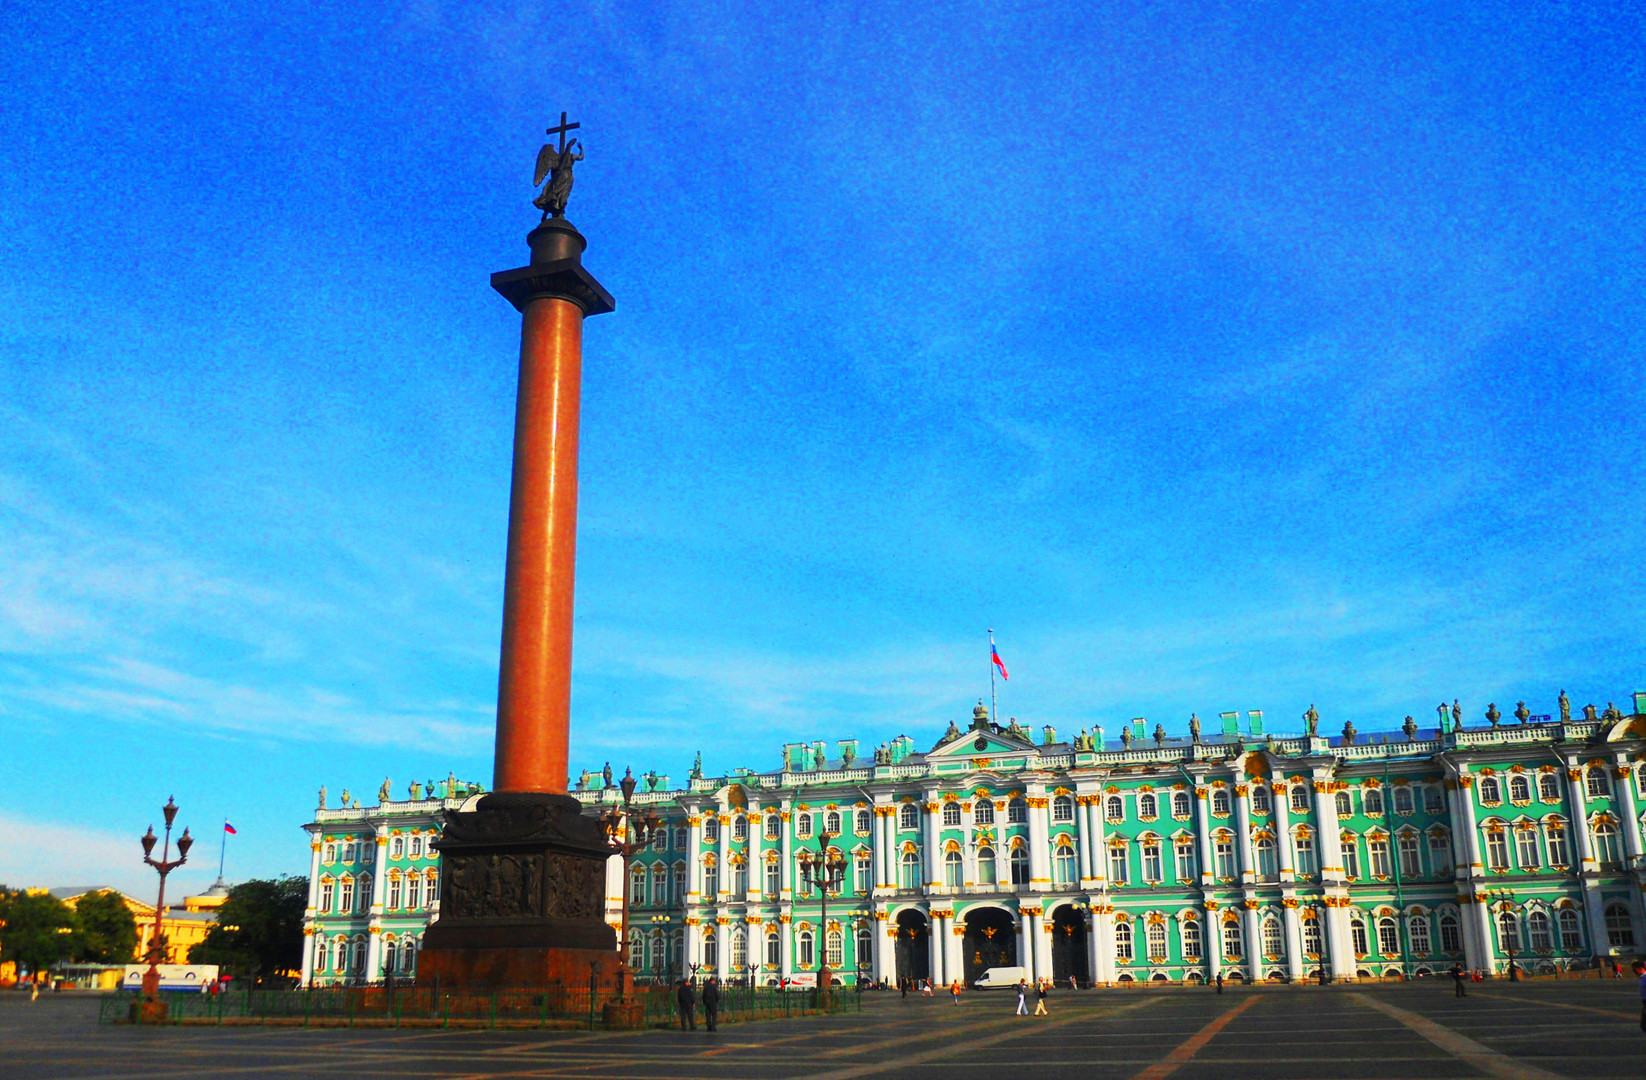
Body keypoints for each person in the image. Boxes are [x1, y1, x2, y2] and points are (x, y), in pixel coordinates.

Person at [1632, 958, 1646, 1033]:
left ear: (1640, 969)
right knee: (1643, 1025)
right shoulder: (1642, 978)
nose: (1634, 971)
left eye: (1635, 969)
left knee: (1644, 1025)